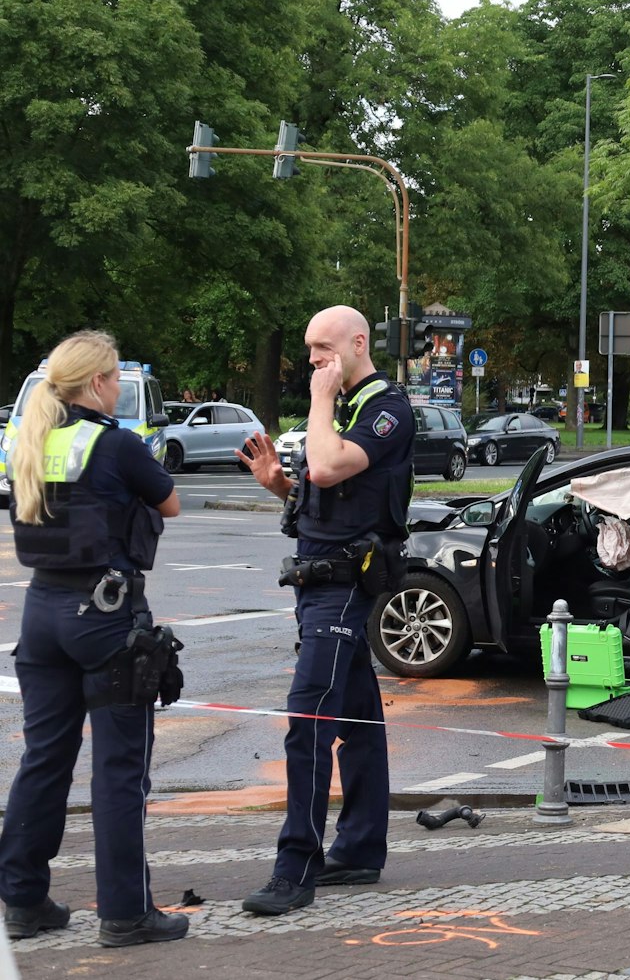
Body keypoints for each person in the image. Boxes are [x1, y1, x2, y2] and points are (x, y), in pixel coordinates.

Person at [0, 331, 187, 948]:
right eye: (111, 379)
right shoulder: (116, 445)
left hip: (41, 614)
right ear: (99, 383)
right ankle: (126, 914)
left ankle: (23, 902)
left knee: (44, 758)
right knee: (118, 768)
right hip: (104, 618)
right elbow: (172, 503)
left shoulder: (30, 442)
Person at [233, 305, 414, 916]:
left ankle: (296, 868)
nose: (313, 360)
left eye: (322, 349)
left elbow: (331, 465)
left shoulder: (387, 408)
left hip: (345, 586)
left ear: (358, 343)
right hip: (316, 582)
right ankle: (361, 848)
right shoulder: (342, 409)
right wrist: (279, 486)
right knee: (358, 718)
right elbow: (324, 493)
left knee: (308, 720)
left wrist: (320, 399)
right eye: (311, 350)